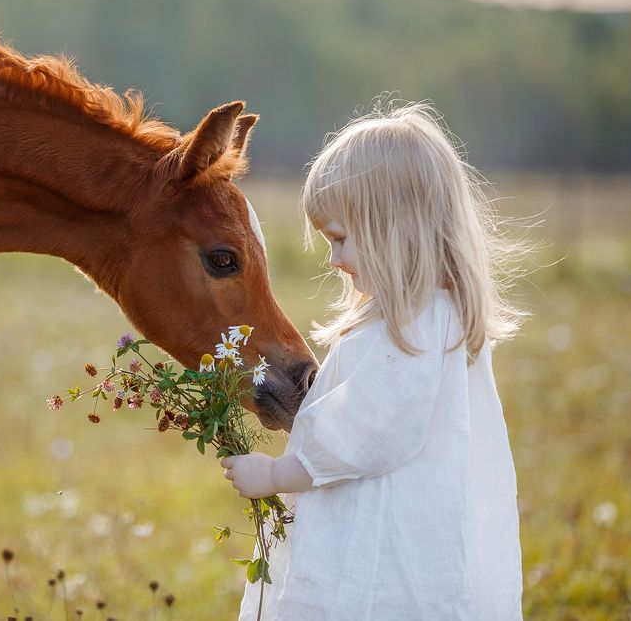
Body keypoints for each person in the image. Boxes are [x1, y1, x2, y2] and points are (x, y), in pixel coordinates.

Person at [220, 100, 525, 620]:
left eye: (340, 238)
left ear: (394, 227)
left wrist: (275, 475)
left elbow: (367, 432)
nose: (334, 259)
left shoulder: (414, 325)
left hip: (381, 552)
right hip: (405, 531)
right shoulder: (421, 317)